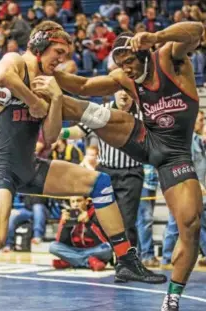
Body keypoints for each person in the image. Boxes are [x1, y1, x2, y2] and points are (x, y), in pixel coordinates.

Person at [0, 21, 166, 311]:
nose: (61, 58)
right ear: (39, 45)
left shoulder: (51, 82)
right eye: (57, 51)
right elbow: (2, 75)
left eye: (64, 53)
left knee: (99, 183)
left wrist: (56, 97)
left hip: (31, 165)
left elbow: (49, 136)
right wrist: (34, 100)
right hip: (1, 166)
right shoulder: (17, 62)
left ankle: (126, 261)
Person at [53, 22, 204, 311]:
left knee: (190, 224)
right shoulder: (125, 77)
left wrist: (158, 36)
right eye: (121, 65)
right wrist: (49, 72)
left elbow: (198, 30)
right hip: (144, 140)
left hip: (174, 156)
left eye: (130, 62)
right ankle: (44, 102)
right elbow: (83, 86)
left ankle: (172, 298)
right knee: (106, 115)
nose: (126, 69)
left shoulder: (168, 57)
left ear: (145, 53)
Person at [60, 89, 145, 247]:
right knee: (98, 218)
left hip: (131, 174)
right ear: (113, 91)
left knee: (127, 222)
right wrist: (60, 133)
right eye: (120, 90)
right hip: (105, 172)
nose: (124, 95)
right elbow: (79, 131)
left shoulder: (143, 113)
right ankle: (105, 254)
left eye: (127, 90)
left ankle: (128, 262)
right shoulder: (102, 110)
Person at [162, 112, 206, 271]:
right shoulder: (186, 139)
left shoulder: (194, 139)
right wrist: (195, 183)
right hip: (186, 187)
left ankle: (169, 257)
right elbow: (184, 162)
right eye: (200, 120)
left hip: (189, 187)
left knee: (178, 224)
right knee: (186, 223)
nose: (203, 123)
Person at [49, 196, 113, 271]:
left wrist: (88, 223)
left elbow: (103, 241)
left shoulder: (97, 213)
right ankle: (88, 262)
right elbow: (60, 242)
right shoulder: (68, 215)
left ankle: (70, 261)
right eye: (73, 202)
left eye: (78, 201)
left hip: (94, 250)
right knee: (53, 246)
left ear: (86, 201)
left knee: (108, 248)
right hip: (75, 250)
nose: (75, 204)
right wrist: (64, 224)